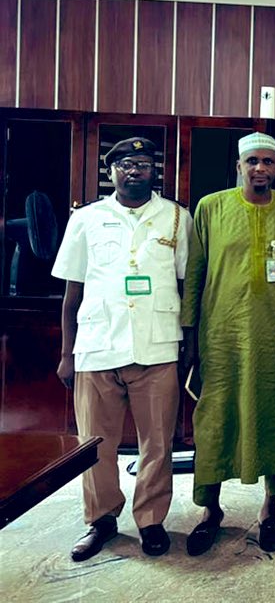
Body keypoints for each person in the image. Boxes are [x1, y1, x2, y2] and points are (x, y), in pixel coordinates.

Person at [51, 137, 192, 561]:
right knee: (96, 443)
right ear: (111, 172)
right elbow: (72, 291)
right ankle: (101, 521)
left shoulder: (175, 218)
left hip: (158, 348)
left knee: (158, 444)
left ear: (156, 172)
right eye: (126, 164)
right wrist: (67, 352)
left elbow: (187, 285)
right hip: (98, 347)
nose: (135, 171)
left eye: (144, 164)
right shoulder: (88, 219)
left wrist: (189, 343)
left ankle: (151, 521)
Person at [180, 131, 275, 556]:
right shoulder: (211, 208)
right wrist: (190, 334)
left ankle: (270, 509)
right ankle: (210, 510)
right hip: (220, 337)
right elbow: (195, 272)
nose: (260, 169)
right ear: (238, 165)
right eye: (252, 161)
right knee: (215, 420)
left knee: (273, 418)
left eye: (268, 162)